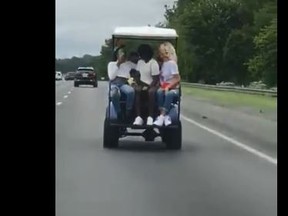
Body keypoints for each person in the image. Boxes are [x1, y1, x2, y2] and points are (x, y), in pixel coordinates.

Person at [153, 42, 181, 126]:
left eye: (161, 52)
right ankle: (164, 116)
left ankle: (162, 115)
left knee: (168, 94)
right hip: (164, 86)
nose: (160, 54)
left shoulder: (172, 63)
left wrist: (168, 87)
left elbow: (177, 78)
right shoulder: (164, 64)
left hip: (173, 88)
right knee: (158, 92)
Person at [132, 44, 160, 126]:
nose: (141, 56)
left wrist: (148, 87)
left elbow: (155, 79)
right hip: (142, 83)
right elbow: (137, 75)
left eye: (143, 53)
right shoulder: (140, 62)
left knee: (150, 92)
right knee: (137, 91)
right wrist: (137, 84)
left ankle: (150, 117)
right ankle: (138, 117)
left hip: (152, 84)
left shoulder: (153, 63)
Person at [107, 51, 139, 119]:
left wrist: (134, 83)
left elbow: (130, 76)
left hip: (123, 83)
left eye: (124, 56)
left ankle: (128, 110)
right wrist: (118, 64)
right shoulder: (111, 64)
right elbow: (111, 77)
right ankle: (118, 112)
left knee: (131, 91)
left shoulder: (128, 64)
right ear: (118, 56)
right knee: (114, 94)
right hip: (114, 83)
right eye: (121, 56)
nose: (123, 57)